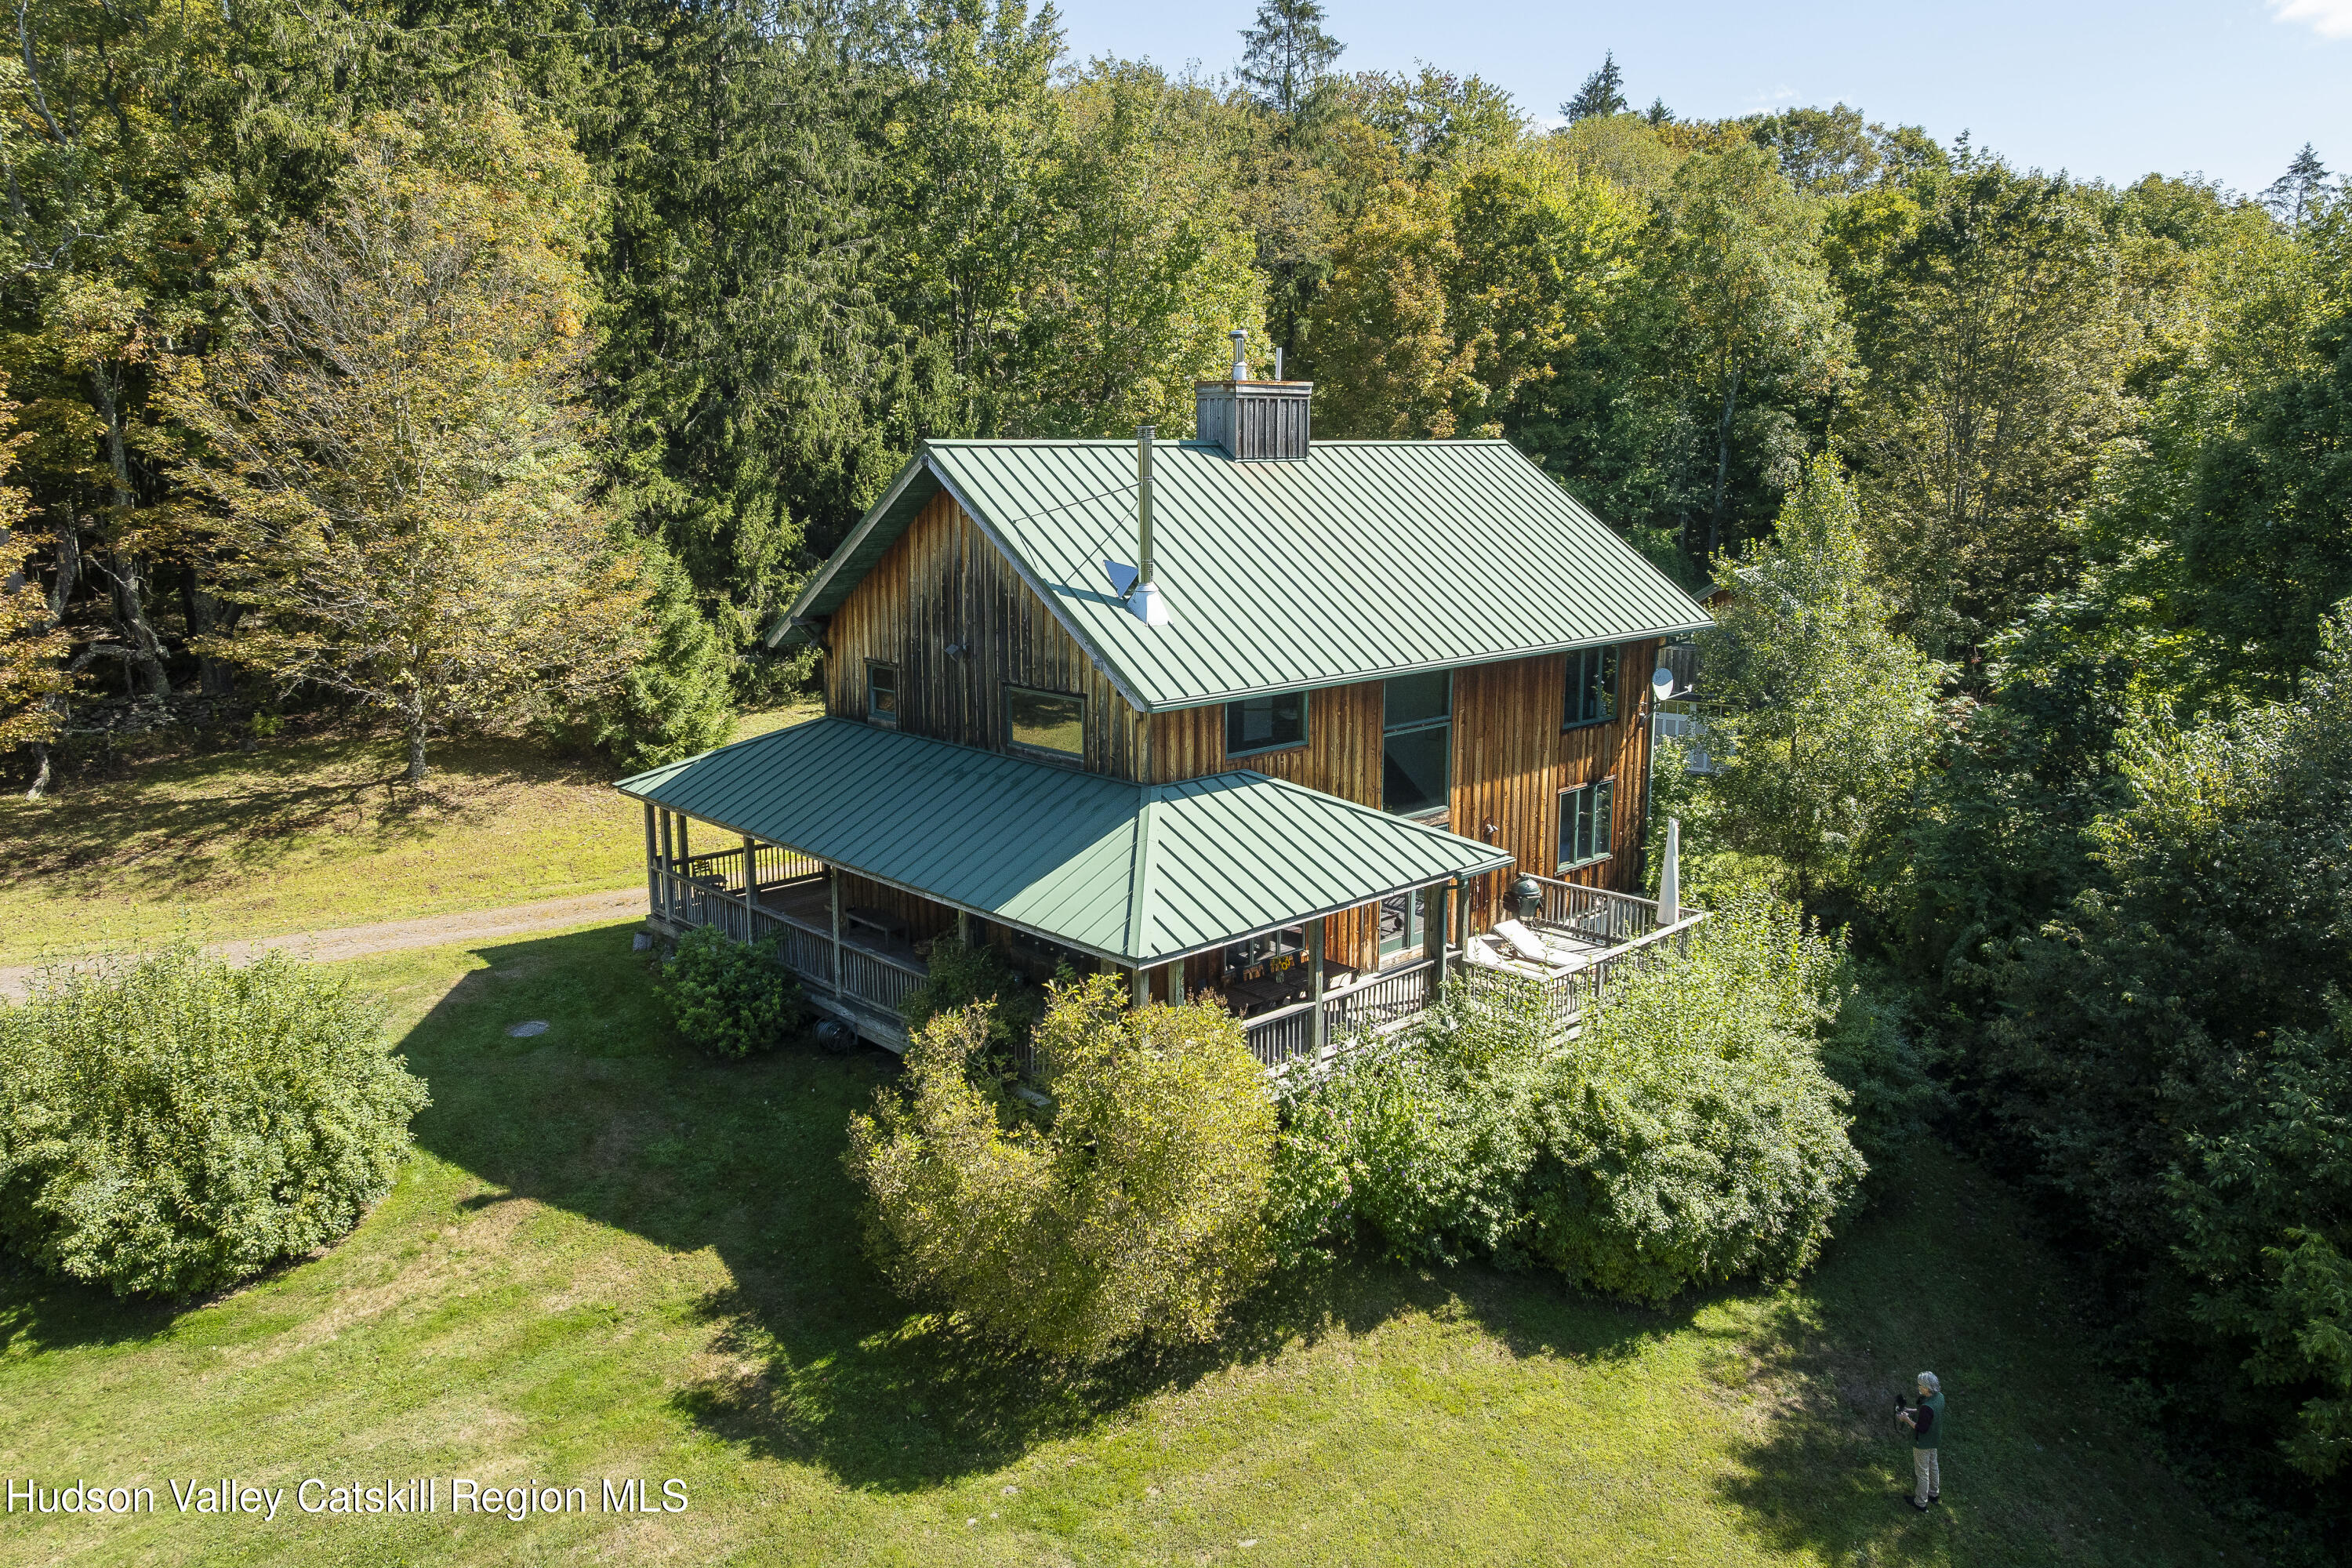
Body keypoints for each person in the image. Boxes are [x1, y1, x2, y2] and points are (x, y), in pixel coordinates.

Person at [1897, 1371, 1944, 1509]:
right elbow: (1927, 1414)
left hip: (1923, 1443)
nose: (1918, 1387)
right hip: (1934, 1439)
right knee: (1933, 1465)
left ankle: (1920, 1502)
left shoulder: (1926, 1407)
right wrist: (1910, 1410)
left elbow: (1921, 1427)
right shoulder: (1939, 1397)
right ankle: (1933, 1495)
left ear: (1927, 1388)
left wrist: (1906, 1419)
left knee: (1922, 1472)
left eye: (1920, 1385)